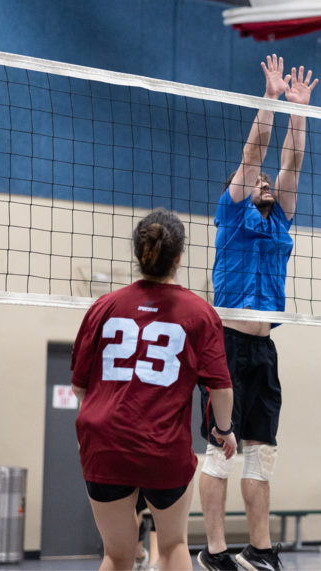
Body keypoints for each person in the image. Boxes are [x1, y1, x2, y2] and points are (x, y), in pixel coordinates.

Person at [197, 54, 318, 571]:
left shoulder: (281, 223)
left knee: (260, 452)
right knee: (219, 451)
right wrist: (268, 101)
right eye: (258, 182)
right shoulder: (231, 213)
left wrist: (299, 110)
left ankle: (261, 549)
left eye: (268, 184)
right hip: (224, 343)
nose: (266, 182)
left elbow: (291, 162)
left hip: (264, 347)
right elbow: (255, 155)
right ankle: (216, 550)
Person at [71, 209, 236, 571]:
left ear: (139, 252)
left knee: (116, 554)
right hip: (161, 445)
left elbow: (79, 387)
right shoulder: (199, 312)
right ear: (178, 256)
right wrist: (223, 431)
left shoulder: (103, 307)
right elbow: (221, 389)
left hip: (104, 441)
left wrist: (105, 423)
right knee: (174, 543)